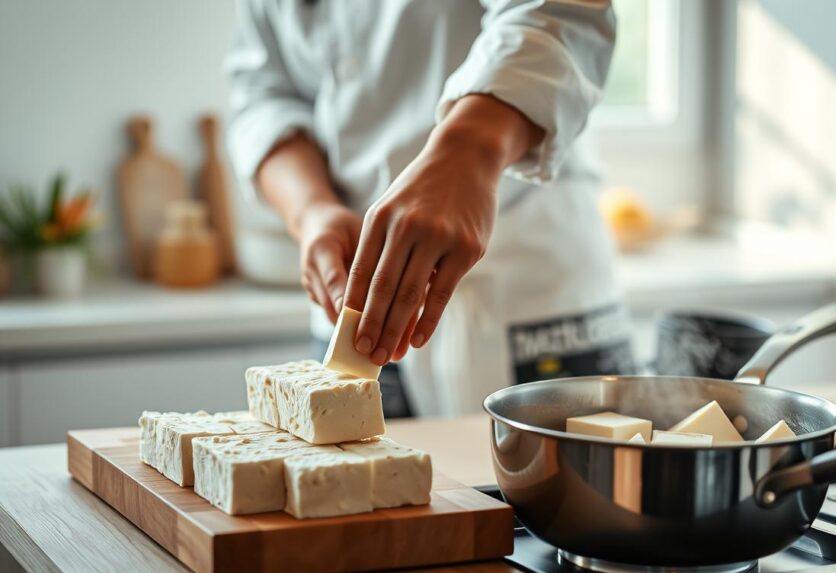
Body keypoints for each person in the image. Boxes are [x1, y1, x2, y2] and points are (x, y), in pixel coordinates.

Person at [226, 0, 635, 417]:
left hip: (530, 292)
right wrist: (311, 210)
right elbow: (263, 98)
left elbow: (559, 13)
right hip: (357, 302)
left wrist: (468, 152)